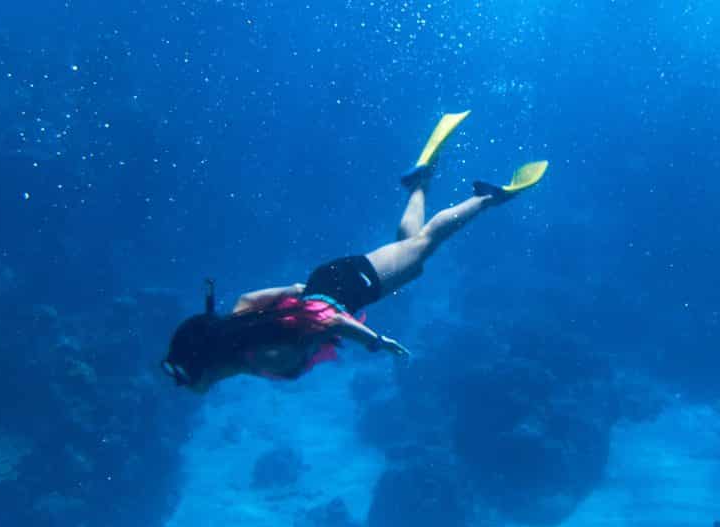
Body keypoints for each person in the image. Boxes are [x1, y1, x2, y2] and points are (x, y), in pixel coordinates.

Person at [160, 111, 548, 392]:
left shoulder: (258, 355)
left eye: (182, 376)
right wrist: (304, 299)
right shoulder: (240, 325)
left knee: (424, 245)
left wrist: (375, 342)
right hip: (328, 280)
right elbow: (284, 294)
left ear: (204, 365)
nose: (182, 385)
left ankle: (489, 198)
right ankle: (421, 179)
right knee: (410, 256)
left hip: (345, 289)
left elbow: (325, 317)